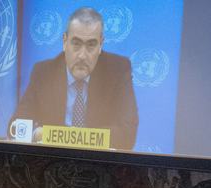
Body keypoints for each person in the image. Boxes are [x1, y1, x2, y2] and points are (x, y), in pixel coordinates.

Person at [9, 7, 138, 150]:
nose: (82, 55)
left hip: (99, 163)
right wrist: (37, 134)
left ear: (101, 44)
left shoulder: (117, 71)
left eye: (91, 45)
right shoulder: (44, 73)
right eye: (76, 43)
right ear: (65, 42)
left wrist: (60, 136)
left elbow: (127, 134)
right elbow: (16, 126)